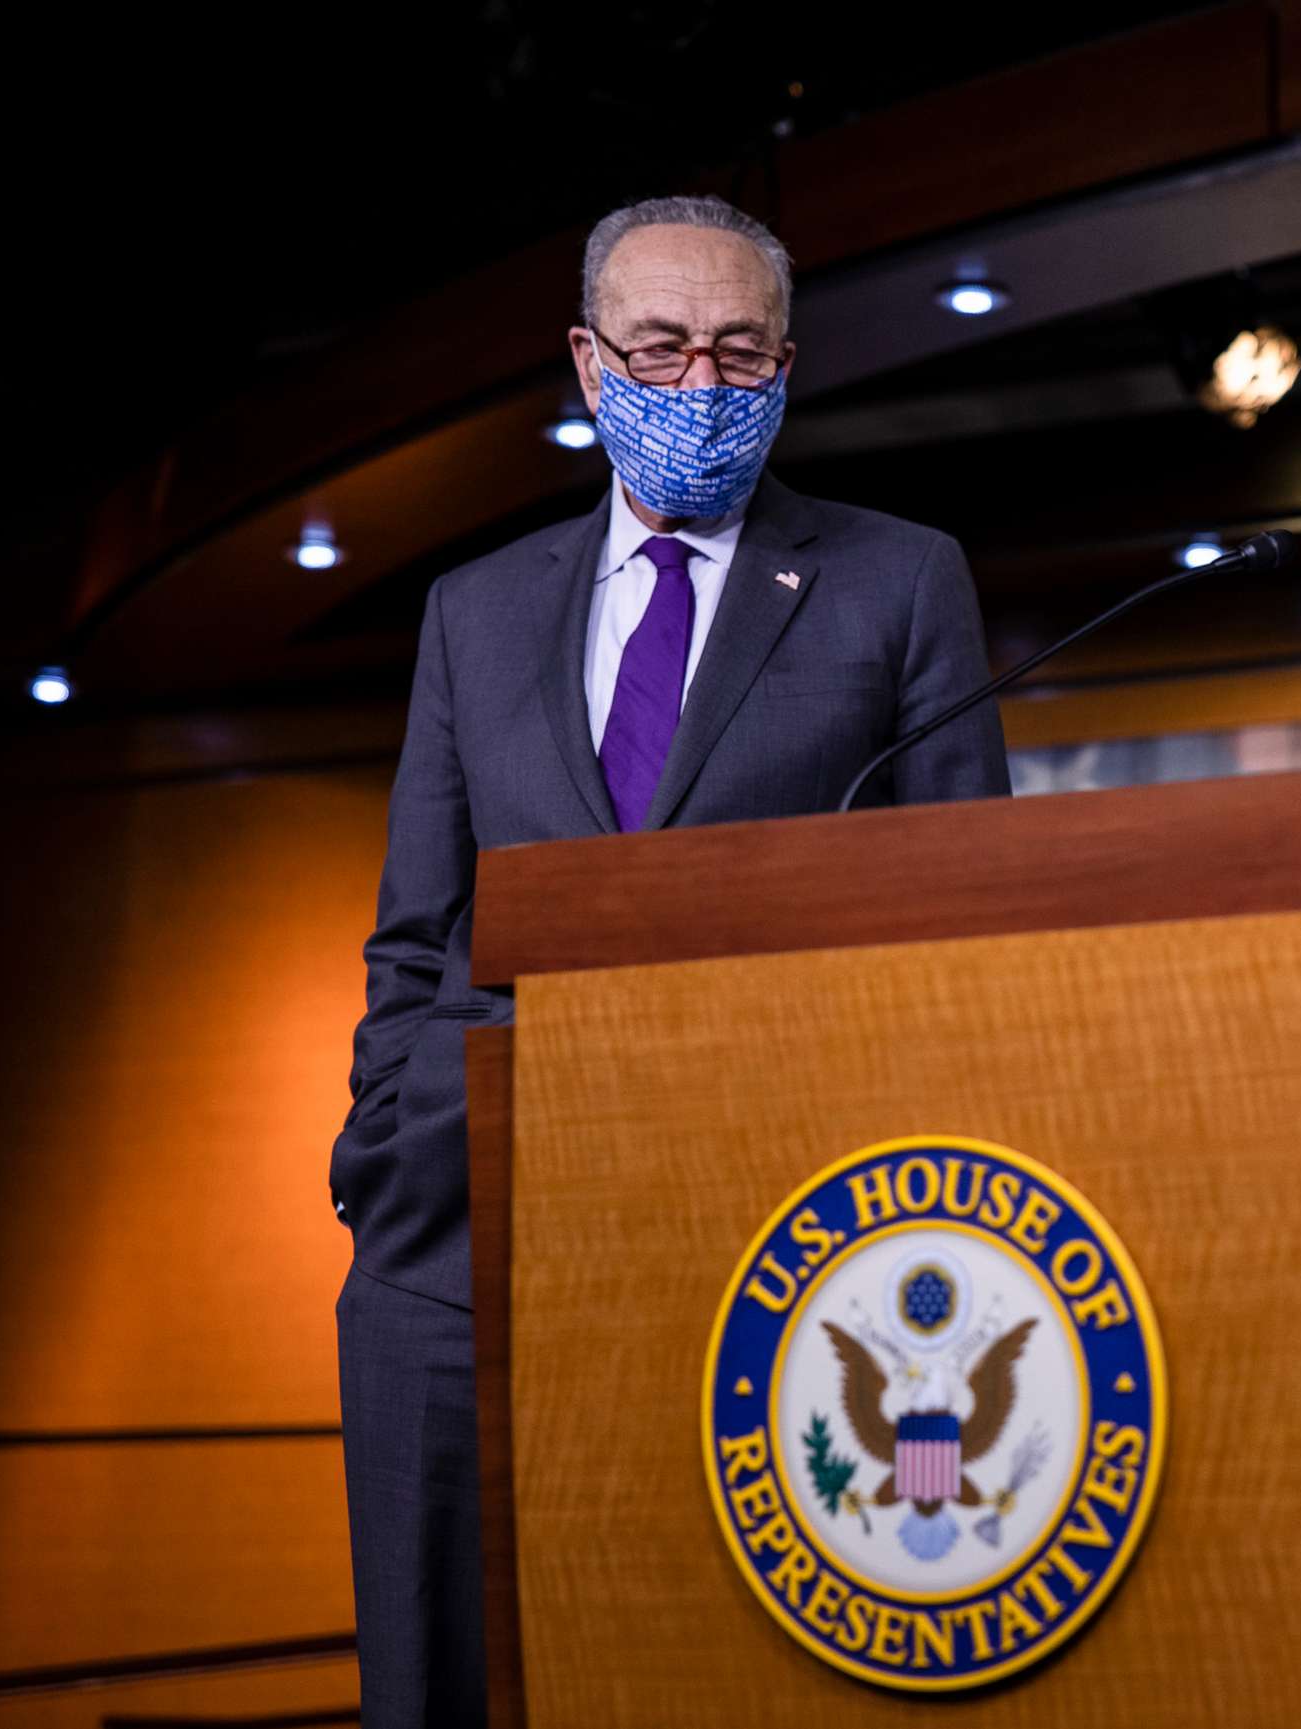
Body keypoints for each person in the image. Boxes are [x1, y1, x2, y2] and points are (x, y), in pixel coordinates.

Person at [327, 194, 1009, 1725]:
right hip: (455, 1230)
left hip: (766, 1223)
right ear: (588, 361)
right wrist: (386, 1145)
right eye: (659, 348)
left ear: (785, 366)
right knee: (435, 1673)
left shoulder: (900, 581)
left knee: (699, 1670)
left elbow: (969, 919)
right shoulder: (474, 609)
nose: (699, 388)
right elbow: (416, 928)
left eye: (736, 352)